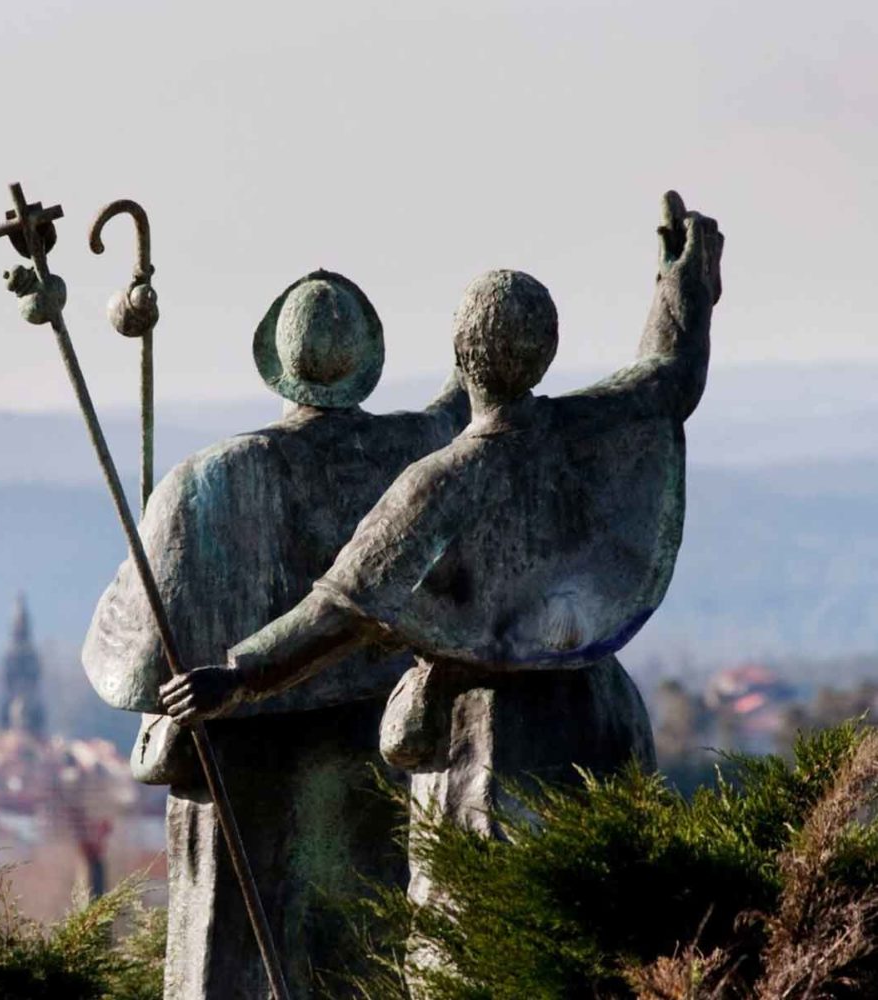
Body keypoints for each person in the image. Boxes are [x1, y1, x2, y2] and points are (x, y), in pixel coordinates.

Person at [160, 193, 723, 910]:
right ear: (546, 351)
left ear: (460, 359)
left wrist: (237, 675)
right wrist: (684, 283)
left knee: (477, 932)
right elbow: (671, 373)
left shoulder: (438, 484)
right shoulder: (592, 425)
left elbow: (336, 610)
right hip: (600, 714)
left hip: (486, 739)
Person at [82, 270, 468, 999]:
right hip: (368, 759)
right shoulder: (414, 457)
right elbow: (461, 403)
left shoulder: (213, 478)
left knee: (230, 966)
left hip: (243, 776)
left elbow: (132, 666)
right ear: (364, 359)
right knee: (363, 959)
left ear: (278, 365)